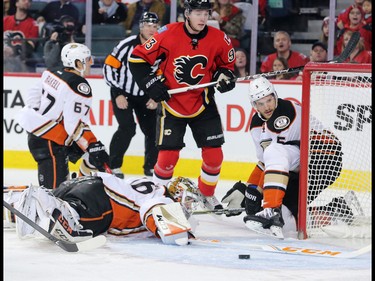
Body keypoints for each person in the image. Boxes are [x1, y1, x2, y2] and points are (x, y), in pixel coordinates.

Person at [128, 0, 236, 211]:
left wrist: (225, 76)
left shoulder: (219, 38)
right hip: (172, 105)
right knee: (168, 158)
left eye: (206, 13)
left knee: (214, 157)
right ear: (187, 13)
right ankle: (156, 197)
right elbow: (138, 59)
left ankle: (206, 195)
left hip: (203, 103)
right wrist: (151, 84)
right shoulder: (167, 33)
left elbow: (226, 66)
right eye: (197, 12)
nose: (203, 17)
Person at [221, 77, 351, 238]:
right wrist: (248, 190)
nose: (267, 106)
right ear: (254, 106)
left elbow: (276, 156)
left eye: (269, 100)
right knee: (286, 223)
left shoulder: (286, 111)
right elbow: (265, 162)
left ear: (275, 96)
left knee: (274, 152)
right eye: (260, 103)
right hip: (298, 164)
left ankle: (271, 209)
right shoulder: (256, 125)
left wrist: (257, 192)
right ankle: (336, 210)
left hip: (323, 160)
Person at [4, 174, 197, 246]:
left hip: (85, 183)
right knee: (74, 222)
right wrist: (181, 234)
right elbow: (172, 233)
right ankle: (43, 200)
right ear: (177, 195)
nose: (188, 207)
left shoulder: (151, 185)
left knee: (56, 200)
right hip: (101, 201)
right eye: (187, 201)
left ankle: (12, 200)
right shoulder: (161, 199)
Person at [16, 43, 110, 190]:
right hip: (50, 142)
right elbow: (74, 124)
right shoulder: (79, 85)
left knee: (90, 156)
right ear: (78, 63)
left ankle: (79, 185)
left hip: (41, 135)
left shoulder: (51, 72)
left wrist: (41, 120)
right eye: (87, 59)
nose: (90, 62)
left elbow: (33, 96)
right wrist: (91, 143)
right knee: (54, 193)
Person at [103, 12, 160, 179]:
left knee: (153, 131)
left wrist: (155, 96)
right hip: (123, 93)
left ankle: (150, 167)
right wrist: (118, 93)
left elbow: (163, 73)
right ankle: (113, 165)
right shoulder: (126, 45)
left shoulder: (160, 47)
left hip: (146, 96)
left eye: (155, 26)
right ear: (141, 26)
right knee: (127, 128)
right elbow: (109, 67)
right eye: (148, 25)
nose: (151, 29)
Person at [3, 0, 39, 72]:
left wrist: (13, 50)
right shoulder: (5, 20)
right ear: (16, 3)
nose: (27, 2)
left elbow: (30, 46)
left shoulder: (33, 24)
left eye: (29, 1)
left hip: (20, 59)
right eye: (24, 0)